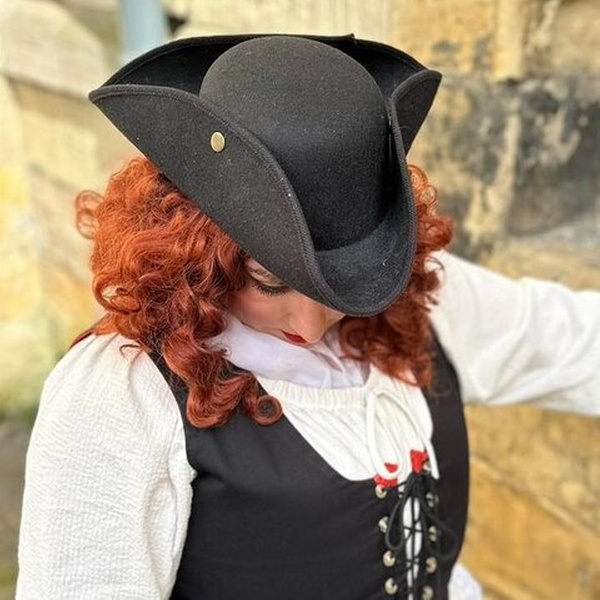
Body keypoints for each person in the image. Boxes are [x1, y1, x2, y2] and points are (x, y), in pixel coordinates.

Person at [16, 34, 599, 600]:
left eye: (346, 281)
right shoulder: (119, 395)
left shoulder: (423, 296)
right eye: (271, 281)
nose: (312, 324)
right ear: (194, 250)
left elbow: (577, 343)